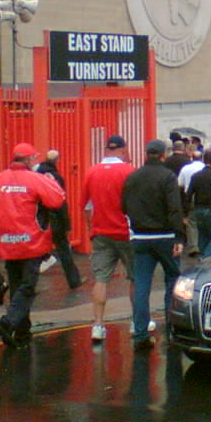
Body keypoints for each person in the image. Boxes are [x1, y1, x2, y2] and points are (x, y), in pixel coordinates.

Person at [0, 142, 65, 348]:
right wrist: (49, 180)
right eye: (33, 159)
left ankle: (22, 334)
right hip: (31, 241)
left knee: (17, 286)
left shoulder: (0, 179)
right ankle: (8, 323)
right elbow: (57, 200)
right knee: (27, 287)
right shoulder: (35, 179)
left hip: (7, 242)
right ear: (28, 160)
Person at [121, 139, 186, 349]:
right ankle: (171, 328)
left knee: (141, 284)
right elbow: (174, 209)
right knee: (172, 280)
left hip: (140, 238)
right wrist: (179, 236)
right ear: (164, 155)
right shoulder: (168, 177)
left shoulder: (132, 177)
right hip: (166, 237)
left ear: (146, 154)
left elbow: (123, 206)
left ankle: (140, 333)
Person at [79, 135, 143, 344]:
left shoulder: (92, 171)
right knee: (135, 277)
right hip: (126, 233)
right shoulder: (130, 172)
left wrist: (91, 227)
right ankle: (136, 321)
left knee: (101, 279)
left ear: (106, 149)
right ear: (124, 150)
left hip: (101, 232)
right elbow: (136, 203)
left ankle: (98, 324)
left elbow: (86, 205)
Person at [36, 149, 82, 290]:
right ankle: (74, 280)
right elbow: (60, 201)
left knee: (34, 248)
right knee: (63, 249)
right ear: (57, 160)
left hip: (39, 217)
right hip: (55, 217)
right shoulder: (56, 177)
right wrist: (67, 224)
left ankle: (33, 279)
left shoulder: (36, 175)